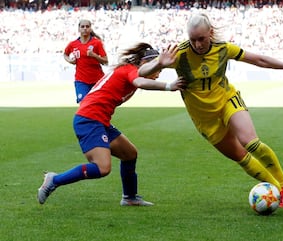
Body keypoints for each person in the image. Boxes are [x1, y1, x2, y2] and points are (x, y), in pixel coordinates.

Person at [138, 13, 283, 208]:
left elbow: (259, 60)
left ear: (210, 33)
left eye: (201, 39)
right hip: (204, 118)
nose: (197, 44)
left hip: (227, 100)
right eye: (193, 39)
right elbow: (141, 73)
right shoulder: (180, 53)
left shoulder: (223, 49)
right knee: (241, 157)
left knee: (250, 143)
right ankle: (275, 188)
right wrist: (159, 63)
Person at [38, 42, 186, 206]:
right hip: (89, 120)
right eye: (157, 69)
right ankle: (54, 179)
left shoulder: (128, 70)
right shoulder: (130, 70)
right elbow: (140, 83)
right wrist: (169, 86)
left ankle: (129, 198)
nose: (158, 74)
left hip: (98, 121)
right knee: (102, 168)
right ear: (145, 63)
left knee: (130, 154)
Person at [64, 19, 109, 103]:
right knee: (83, 104)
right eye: (82, 26)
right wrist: (70, 60)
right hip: (81, 80)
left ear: (90, 29)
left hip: (97, 80)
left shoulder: (97, 43)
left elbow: (106, 61)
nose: (85, 28)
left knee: (96, 105)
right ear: (79, 29)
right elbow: (65, 54)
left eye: (87, 26)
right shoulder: (73, 44)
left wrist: (94, 55)